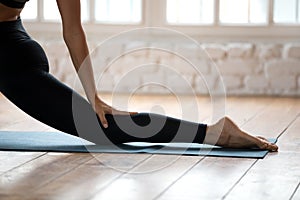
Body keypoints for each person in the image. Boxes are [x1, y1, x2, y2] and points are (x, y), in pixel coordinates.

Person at [0, 0, 278, 151]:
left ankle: (215, 133)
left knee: (100, 127)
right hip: (15, 45)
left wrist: (94, 97)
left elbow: (73, 31)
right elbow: (72, 31)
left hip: (9, 56)